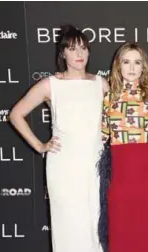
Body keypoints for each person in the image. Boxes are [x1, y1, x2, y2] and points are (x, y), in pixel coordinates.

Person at [9, 24, 109, 252]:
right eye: (73, 49)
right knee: (68, 226)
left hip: (95, 165)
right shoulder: (50, 84)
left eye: (83, 48)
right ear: (62, 53)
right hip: (63, 167)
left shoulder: (100, 84)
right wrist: (40, 146)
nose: (79, 54)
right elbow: (16, 114)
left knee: (96, 226)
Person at [101, 42, 148, 252]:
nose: (131, 68)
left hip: (146, 170)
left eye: (137, 62)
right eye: (126, 62)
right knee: (121, 227)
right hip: (120, 171)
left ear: (143, 67)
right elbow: (103, 135)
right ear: (118, 66)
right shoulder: (108, 98)